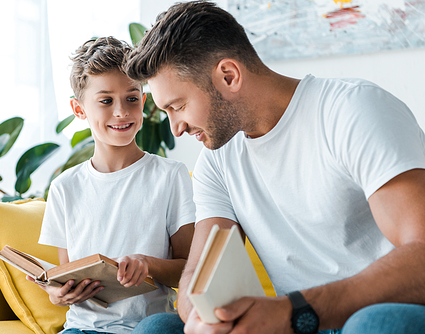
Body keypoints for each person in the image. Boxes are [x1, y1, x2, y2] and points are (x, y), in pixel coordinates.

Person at [125, 1, 425, 334]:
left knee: (375, 324)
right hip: (296, 321)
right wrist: (203, 314)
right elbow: (198, 272)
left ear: (229, 76)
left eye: (178, 106)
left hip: (368, 315)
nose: (175, 128)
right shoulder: (217, 159)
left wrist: (293, 311)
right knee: (157, 328)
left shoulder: (352, 111)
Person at [28, 36, 195, 334]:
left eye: (132, 98)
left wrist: (148, 264)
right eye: (106, 101)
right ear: (79, 110)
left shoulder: (170, 176)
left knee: (158, 327)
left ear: (143, 101)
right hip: (83, 327)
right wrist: (58, 295)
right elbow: (66, 275)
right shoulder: (65, 187)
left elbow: (189, 270)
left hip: (146, 326)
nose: (121, 111)